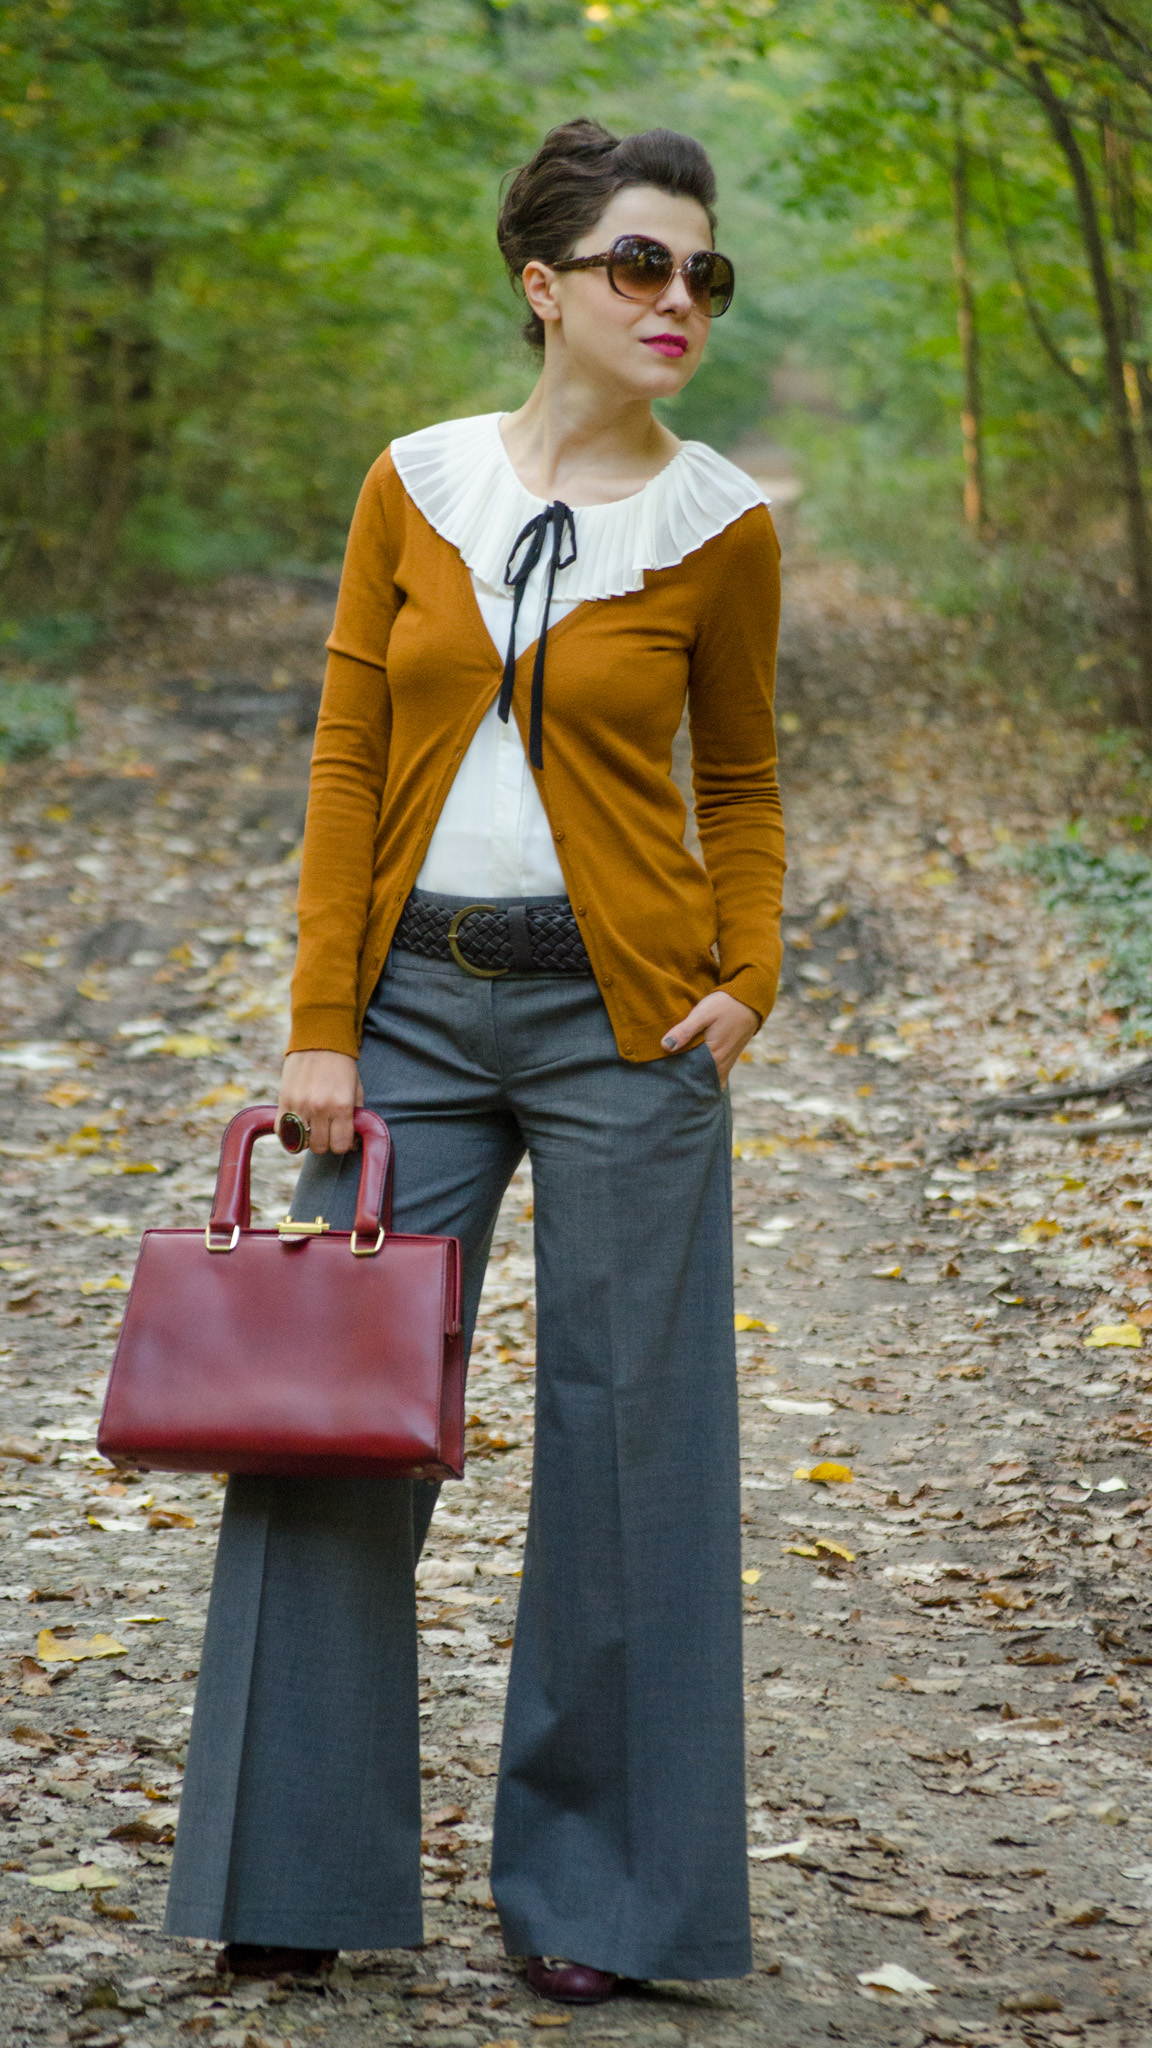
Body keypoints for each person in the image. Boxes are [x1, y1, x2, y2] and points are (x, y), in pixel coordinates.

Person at [164, 116, 785, 2008]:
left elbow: (742, 782)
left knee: (630, 1450)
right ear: (547, 284)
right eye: (639, 267)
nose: (676, 301)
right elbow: (347, 758)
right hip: (411, 1014)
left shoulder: (720, 522)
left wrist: (746, 973)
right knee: (326, 1422)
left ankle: (600, 1902)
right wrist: (322, 1023)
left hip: (628, 1029)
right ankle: (291, 1864)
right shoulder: (414, 487)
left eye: (702, 273)